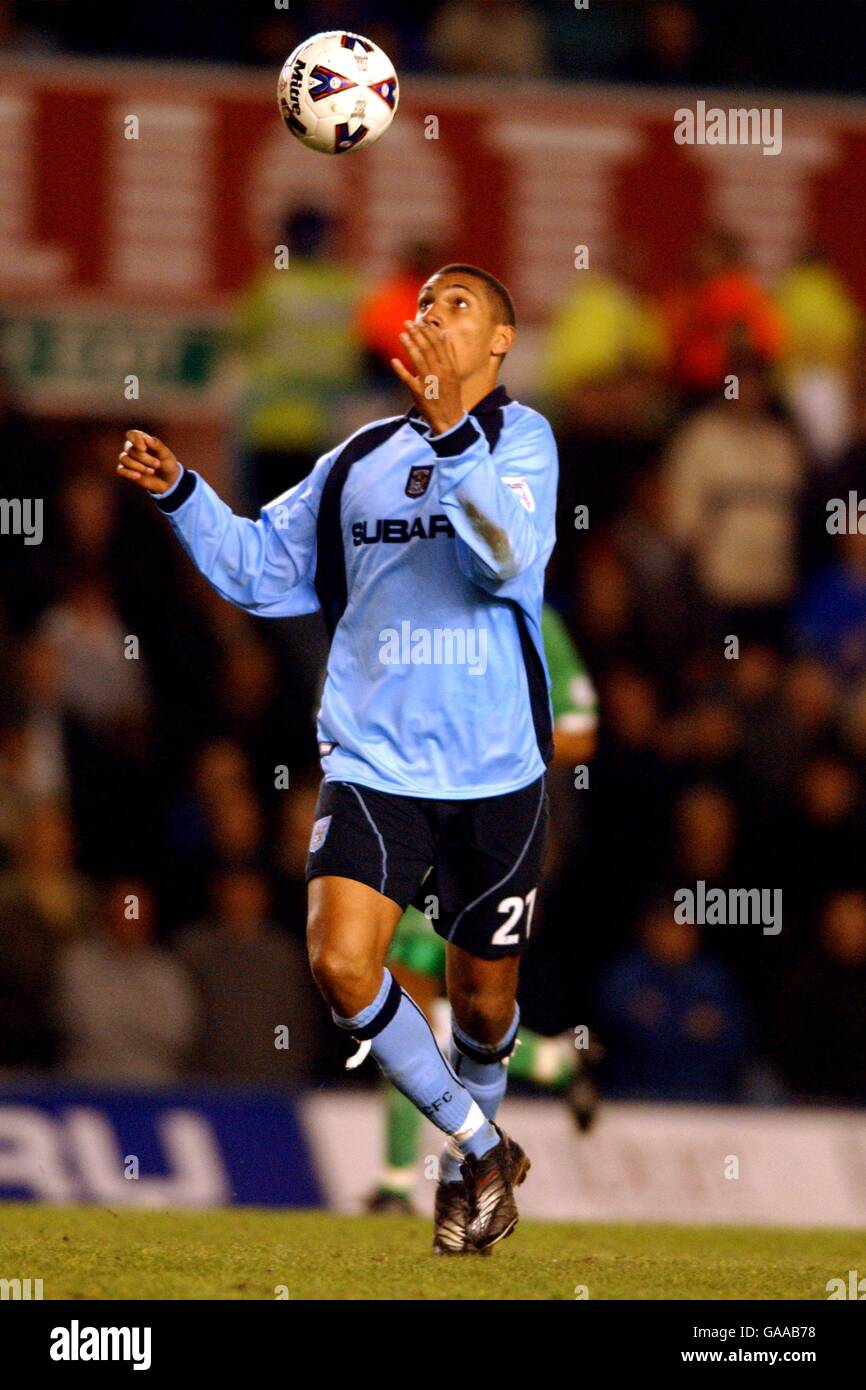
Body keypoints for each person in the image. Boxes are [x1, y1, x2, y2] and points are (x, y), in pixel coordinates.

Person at [116, 263, 558, 1256]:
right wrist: (183, 493)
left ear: (497, 343)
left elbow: (502, 557)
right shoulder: (353, 458)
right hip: (372, 758)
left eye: (458, 305)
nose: (431, 316)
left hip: (495, 768)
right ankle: (480, 1144)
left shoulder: (523, 443)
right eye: (423, 303)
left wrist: (451, 432)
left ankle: (461, 1174)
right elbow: (260, 569)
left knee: (483, 998)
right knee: (340, 960)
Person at [365, 605, 602, 1214]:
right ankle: (550, 1064)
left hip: (497, 837)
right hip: (412, 823)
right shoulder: (406, 601)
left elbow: (581, 731)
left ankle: (408, 1181)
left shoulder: (533, 618)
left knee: (457, 1008)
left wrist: (495, 740)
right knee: (410, 1004)